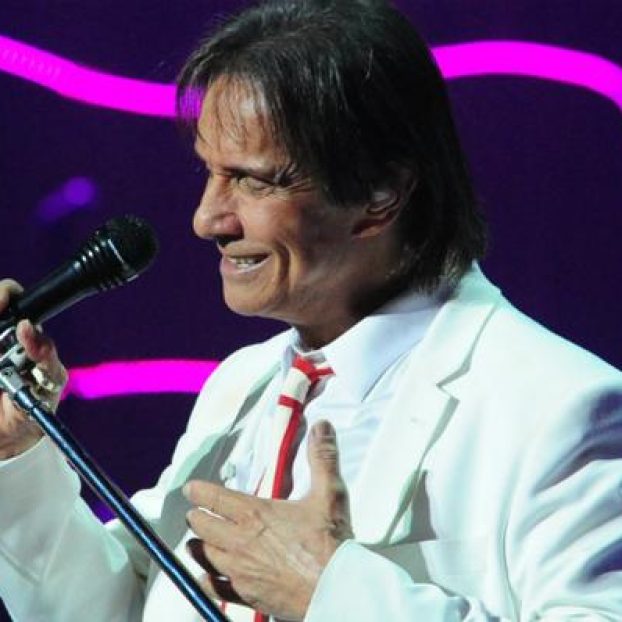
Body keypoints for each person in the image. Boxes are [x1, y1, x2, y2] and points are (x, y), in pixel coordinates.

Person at [1, 0, 621, 620]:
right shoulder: (240, 387)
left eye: (253, 180)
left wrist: (330, 591)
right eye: (210, 173)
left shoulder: (564, 407)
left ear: (380, 195)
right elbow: (122, 610)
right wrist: (17, 454)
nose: (207, 219)